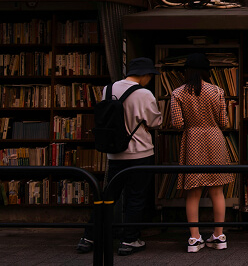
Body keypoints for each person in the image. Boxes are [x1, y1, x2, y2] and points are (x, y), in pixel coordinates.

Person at [76, 57, 163, 256]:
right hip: (140, 152)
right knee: (136, 197)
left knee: (108, 197)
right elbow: (155, 122)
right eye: (150, 76)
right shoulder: (144, 94)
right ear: (144, 74)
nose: (150, 79)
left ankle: (88, 237)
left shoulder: (108, 89)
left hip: (114, 153)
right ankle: (129, 240)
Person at [169, 53, 234, 253]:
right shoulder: (217, 91)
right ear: (207, 71)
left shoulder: (178, 93)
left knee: (193, 192)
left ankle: (194, 238)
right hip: (215, 139)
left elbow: (177, 123)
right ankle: (219, 236)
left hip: (192, 140)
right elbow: (224, 122)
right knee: (217, 191)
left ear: (187, 71)